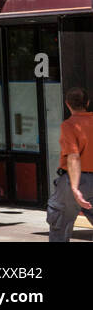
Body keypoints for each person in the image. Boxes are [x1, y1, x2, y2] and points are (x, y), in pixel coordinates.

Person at [48, 86, 93, 241]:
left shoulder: (69, 125)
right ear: (87, 102)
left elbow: (73, 157)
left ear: (67, 104)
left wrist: (75, 188)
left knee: (60, 225)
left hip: (75, 181)